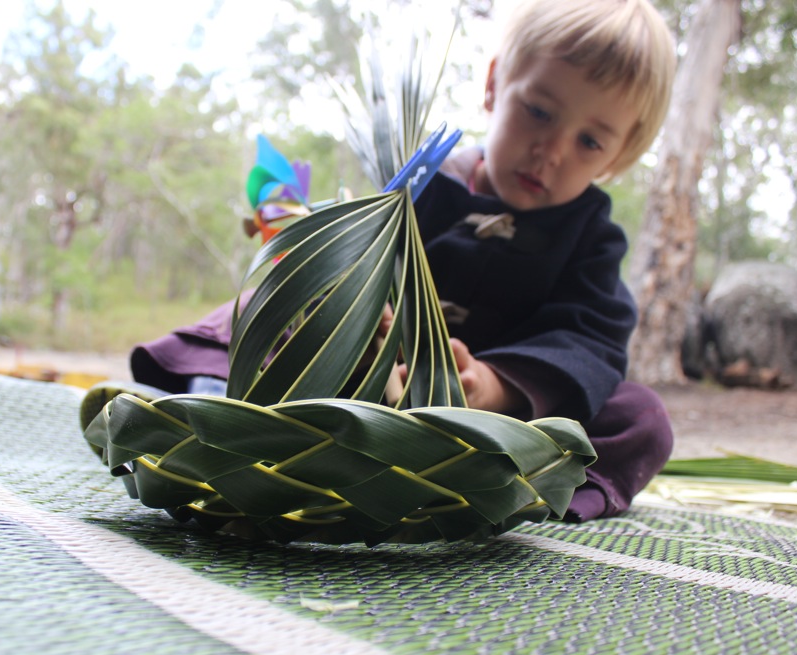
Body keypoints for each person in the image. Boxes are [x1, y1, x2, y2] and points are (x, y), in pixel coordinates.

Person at [122, 0, 678, 522]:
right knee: (265, 307)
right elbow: (354, 257)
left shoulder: (592, 238)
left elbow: (590, 339)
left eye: (589, 142)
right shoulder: (423, 183)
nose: (550, 150)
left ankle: (521, 492)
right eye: (538, 111)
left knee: (640, 416)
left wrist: (498, 386)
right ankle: (219, 413)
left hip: (492, 426)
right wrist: (359, 308)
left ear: (622, 153)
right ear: (494, 86)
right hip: (369, 382)